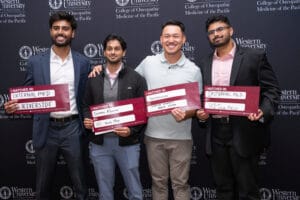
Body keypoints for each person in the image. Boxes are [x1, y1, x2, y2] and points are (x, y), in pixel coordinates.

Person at [4, 11, 90, 200]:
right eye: (56, 28)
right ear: (51, 31)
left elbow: (88, 95)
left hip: (73, 128)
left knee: (80, 184)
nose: (61, 32)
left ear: (72, 33)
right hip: (46, 128)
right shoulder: (35, 61)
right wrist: (14, 106)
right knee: (42, 186)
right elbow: (26, 94)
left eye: (65, 28)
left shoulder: (83, 62)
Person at [196, 15, 280, 200]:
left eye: (220, 29)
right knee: (223, 189)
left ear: (230, 30)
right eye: (211, 32)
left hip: (244, 131)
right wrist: (201, 114)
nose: (216, 34)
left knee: (248, 190)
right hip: (216, 133)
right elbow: (204, 97)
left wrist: (263, 111)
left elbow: (272, 90)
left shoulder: (254, 56)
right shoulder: (204, 62)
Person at [135, 20, 203, 200]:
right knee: (158, 184)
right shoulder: (148, 62)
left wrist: (187, 113)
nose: (171, 40)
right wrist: (102, 69)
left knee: (180, 185)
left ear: (183, 40)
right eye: (167, 36)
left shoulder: (193, 70)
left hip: (181, 138)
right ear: (161, 39)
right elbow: (129, 82)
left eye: (175, 36)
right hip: (153, 136)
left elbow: (196, 107)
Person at [81, 34, 147, 200]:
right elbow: (85, 105)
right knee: (105, 191)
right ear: (104, 52)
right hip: (100, 144)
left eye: (117, 48)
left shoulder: (136, 78)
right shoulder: (93, 78)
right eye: (109, 48)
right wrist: (87, 119)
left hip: (127, 143)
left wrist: (131, 130)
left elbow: (143, 110)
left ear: (124, 52)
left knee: (135, 190)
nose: (112, 52)